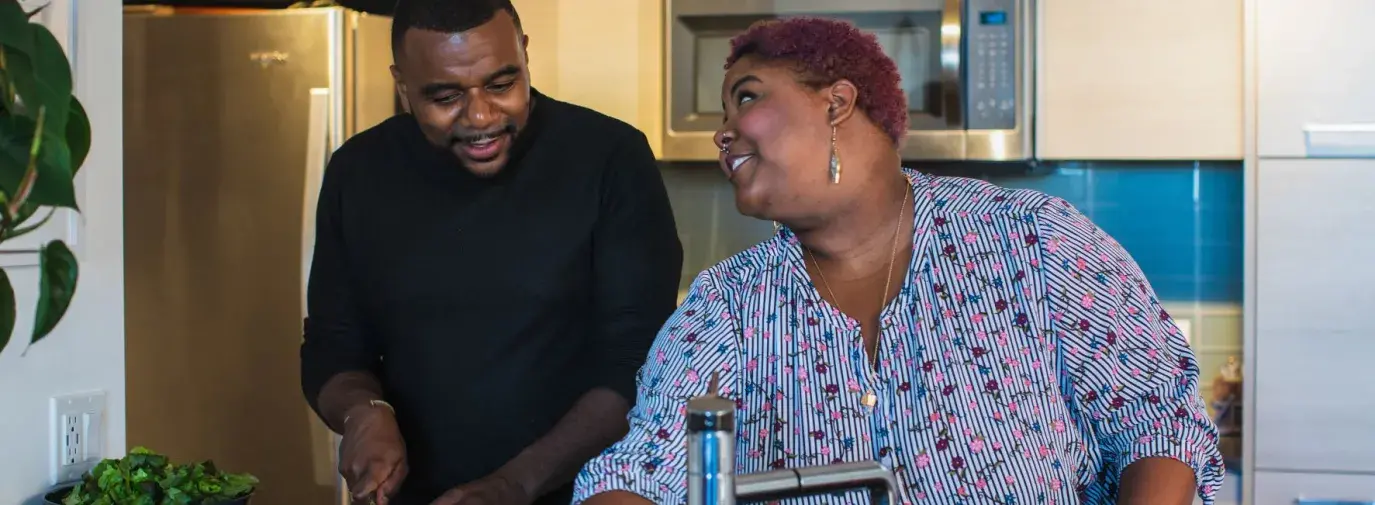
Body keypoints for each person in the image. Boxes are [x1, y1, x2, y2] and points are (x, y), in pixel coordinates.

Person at [574, 16, 1224, 505]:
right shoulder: (727, 305)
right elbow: (643, 468)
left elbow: (1156, 422)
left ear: (836, 103)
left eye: (745, 97)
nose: (722, 130)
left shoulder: (1034, 243)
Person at [298, 1, 684, 504]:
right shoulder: (359, 171)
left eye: (502, 85)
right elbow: (333, 343)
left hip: (583, 496)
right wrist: (363, 411)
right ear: (402, 84)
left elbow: (640, 363)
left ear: (525, 55)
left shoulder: (610, 158)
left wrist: (514, 484)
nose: (480, 116)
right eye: (445, 96)